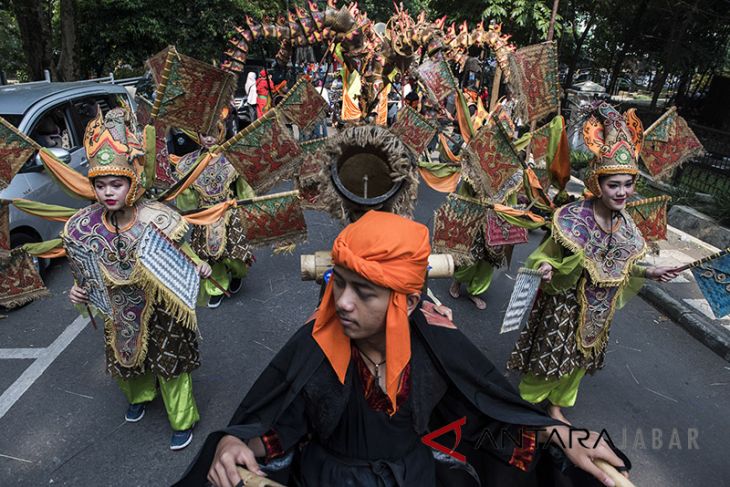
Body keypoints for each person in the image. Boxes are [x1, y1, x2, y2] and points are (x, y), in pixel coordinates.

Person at [176, 211, 630, 487]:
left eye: (365, 293)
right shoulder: (316, 342)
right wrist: (234, 443)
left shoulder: (436, 345)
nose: (342, 303)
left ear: (408, 301)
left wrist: (560, 435)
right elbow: (276, 420)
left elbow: (485, 412)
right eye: (340, 284)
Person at [507, 102, 679, 424]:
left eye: (628, 184)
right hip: (565, 303)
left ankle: (558, 405)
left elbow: (622, 266)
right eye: (614, 185)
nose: (622, 192)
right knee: (551, 355)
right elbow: (546, 254)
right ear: (597, 184)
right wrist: (545, 268)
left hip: (601, 309)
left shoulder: (628, 225)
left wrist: (651, 271)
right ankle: (526, 404)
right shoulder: (573, 218)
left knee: (578, 362)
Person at [64, 108, 212, 450]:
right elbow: (83, 273)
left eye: (116, 184)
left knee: (171, 362)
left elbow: (181, 254)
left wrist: (199, 266)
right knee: (124, 358)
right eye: (100, 185)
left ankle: (182, 418)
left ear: (133, 182)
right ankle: (141, 394)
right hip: (119, 306)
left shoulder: (158, 217)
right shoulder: (83, 226)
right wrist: (78, 293)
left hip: (159, 302)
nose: (108, 192)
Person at [172, 111, 255, 309]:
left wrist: (248, 206)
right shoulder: (189, 163)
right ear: (197, 136)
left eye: (213, 132)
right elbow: (188, 202)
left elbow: (243, 189)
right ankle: (216, 288)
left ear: (220, 131)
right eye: (204, 134)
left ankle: (236, 274)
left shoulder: (231, 156)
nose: (208, 138)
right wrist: (183, 189)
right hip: (206, 216)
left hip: (230, 213)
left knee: (234, 253)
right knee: (209, 256)